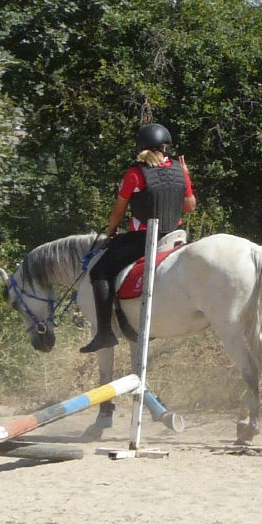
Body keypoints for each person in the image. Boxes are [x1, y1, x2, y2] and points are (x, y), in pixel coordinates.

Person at [81, 123, 196, 353]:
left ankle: (104, 333)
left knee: (99, 271)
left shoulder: (135, 174)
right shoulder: (179, 169)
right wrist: (186, 177)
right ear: (164, 147)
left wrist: (111, 230)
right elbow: (190, 207)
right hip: (175, 236)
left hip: (145, 238)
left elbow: (118, 212)